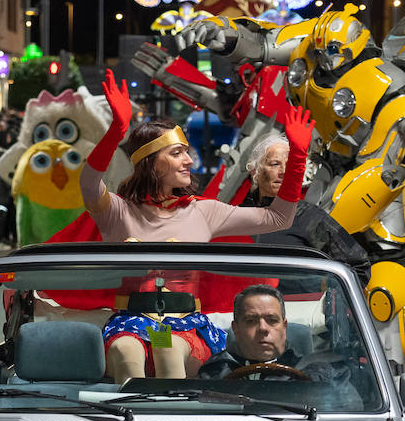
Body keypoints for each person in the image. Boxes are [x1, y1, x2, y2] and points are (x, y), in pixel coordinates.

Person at [78, 70, 309, 381]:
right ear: (150, 163)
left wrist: (298, 157)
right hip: (129, 327)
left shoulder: (204, 212)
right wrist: (116, 130)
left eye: (187, 152)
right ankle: (134, 419)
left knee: (167, 347)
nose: (189, 160)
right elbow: (90, 183)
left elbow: (279, 218)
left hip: (185, 330)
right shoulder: (117, 212)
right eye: (177, 153)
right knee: (125, 351)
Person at [197, 285, 366, 409]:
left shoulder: (323, 373)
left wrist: (313, 385)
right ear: (236, 329)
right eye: (251, 321)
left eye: (272, 320)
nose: (263, 328)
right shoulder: (214, 371)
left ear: (284, 327)